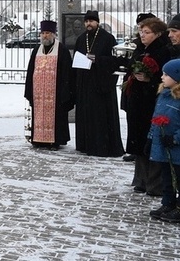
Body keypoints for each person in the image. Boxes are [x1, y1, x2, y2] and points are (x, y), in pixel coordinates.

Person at [121, 17, 170, 194]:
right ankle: (140, 179)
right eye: (141, 31)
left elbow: (166, 79)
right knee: (139, 140)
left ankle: (154, 183)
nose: (142, 35)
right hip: (137, 102)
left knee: (152, 141)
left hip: (151, 102)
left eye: (147, 32)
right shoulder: (141, 49)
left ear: (157, 34)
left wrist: (150, 80)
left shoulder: (163, 51)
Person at [71, 10, 124, 157]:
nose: (89, 24)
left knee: (100, 116)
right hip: (84, 84)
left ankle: (103, 146)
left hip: (101, 84)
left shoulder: (108, 38)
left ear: (97, 22)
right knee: (86, 115)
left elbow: (116, 61)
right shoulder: (81, 39)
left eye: (91, 21)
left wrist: (98, 60)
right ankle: (86, 145)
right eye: (86, 21)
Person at [24, 20, 73, 149]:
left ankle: (55, 140)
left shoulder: (62, 50)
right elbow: (30, 71)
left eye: (48, 33)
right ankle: (38, 139)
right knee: (38, 115)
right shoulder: (36, 50)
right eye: (43, 33)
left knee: (57, 117)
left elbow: (67, 73)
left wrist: (65, 92)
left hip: (56, 94)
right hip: (38, 94)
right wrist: (29, 90)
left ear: (54, 34)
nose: (45, 36)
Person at [146, 59, 180, 222]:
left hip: (176, 147)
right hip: (163, 146)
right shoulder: (163, 95)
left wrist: (175, 138)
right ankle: (168, 203)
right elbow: (156, 117)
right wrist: (150, 138)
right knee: (166, 177)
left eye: (166, 74)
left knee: (178, 178)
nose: (162, 77)